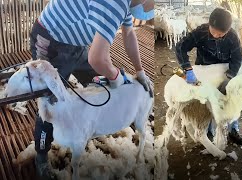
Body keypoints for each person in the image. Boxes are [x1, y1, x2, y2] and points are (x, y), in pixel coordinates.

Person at [30, 0, 154, 179]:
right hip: (51, 40)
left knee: (99, 81)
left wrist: (140, 70)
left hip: (76, 44)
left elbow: (128, 35)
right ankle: (41, 157)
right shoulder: (117, 2)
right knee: (49, 103)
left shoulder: (125, 4)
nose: (147, 10)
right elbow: (97, 58)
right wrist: (115, 75)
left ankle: (93, 123)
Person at [175, 7, 242, 146]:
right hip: (205, 71)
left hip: (224, 71)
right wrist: (187, 69)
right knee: (206, 100)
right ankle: (208, 130)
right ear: (209, 25)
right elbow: (180, 47)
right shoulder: (200, 32)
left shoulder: (232, 37)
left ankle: (233, 130)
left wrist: (229, 77)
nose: (217, 36)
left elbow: (237, 59)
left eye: (221, 34)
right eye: (214, 32)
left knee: (231, 98)